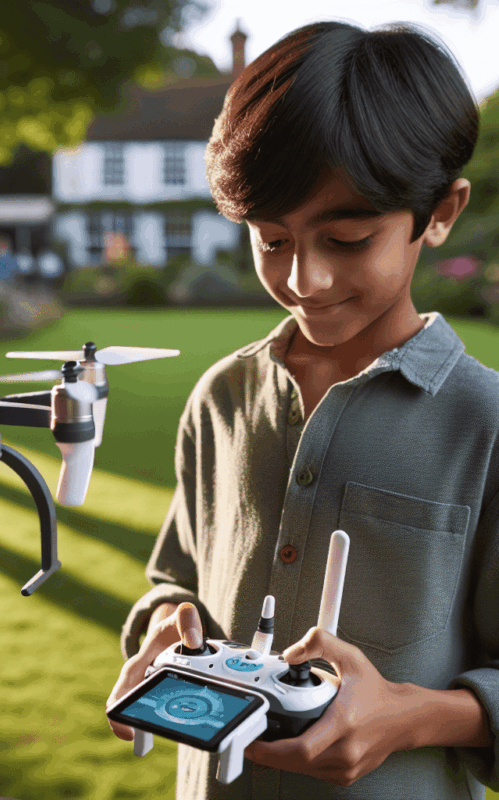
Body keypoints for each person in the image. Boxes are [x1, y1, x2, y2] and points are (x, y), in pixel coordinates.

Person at [107, 21, 499, 800]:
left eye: (347, 239)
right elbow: (176, 578)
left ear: (441, 212)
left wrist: (407, 716)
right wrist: (165, 624)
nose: (303, 280)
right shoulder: (221, 397)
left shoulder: (484, 424)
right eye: (272, 239)